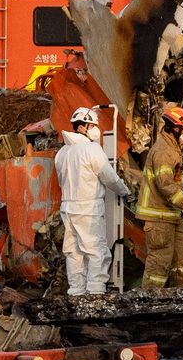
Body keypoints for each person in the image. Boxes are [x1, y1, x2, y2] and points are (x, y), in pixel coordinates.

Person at [54, 107, 129, 296]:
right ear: (82, 127)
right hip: (88, 207)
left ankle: (76, 290)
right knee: (96, 250)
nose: (96, 129)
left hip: (68, 207)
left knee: (74, 251)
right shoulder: (92, 149)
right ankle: (95, 291)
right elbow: (109, 177)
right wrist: (124, 190)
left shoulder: (62, 153)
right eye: (93, 125)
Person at [135, 106, 183, 288]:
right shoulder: (163, 151)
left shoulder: (172, 149)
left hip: (171, 215)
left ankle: (180, 295)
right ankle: (150, 299)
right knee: (159, 262)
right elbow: (166, 184)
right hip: (158, 217)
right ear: (177, 128)